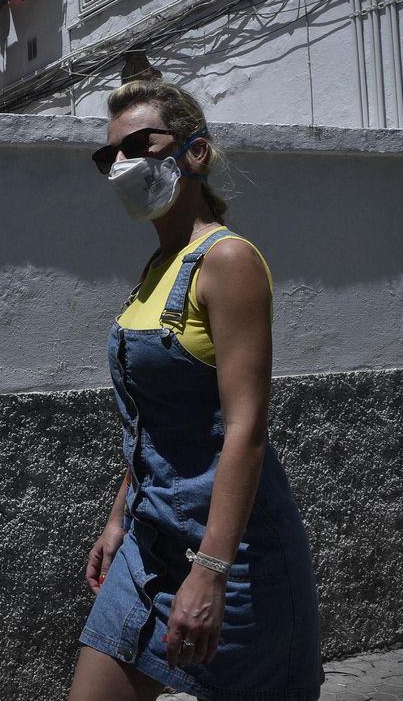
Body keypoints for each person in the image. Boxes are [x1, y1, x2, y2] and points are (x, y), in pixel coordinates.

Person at [69, 81, 323, 701]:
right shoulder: (158, 266)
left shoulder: (228, 261)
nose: (123, 164)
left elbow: (245, 429)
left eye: (138, 145)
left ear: (195, 151)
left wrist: (210, 571)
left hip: (230, 556)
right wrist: (116, 520)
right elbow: (153, 423)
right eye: (110, 156)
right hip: (146, 542)